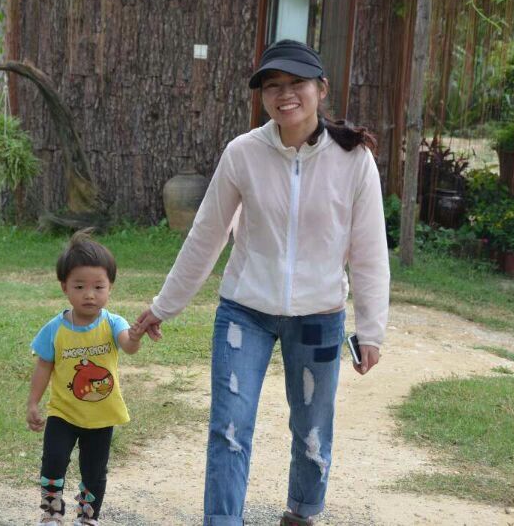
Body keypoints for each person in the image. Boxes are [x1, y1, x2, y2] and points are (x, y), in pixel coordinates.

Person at [131, 39, 390, 526]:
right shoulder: (243, 154)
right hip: (244, 312)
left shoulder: (353, 160)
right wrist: (164, 305)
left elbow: (370, 251)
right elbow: (207, 235)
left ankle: (302, 513)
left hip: (319, 316)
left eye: (296, 84)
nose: (284, 94)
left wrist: (371, 330)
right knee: (229, 428)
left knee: (312, 430)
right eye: (273, 86)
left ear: (321, 89)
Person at [27, 230, 141, 526]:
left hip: (102, 415)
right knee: (53, 462)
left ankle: (88, 517)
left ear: (110, 287)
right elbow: (43, 366)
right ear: (64, 287)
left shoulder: (114, 323)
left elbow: (128, 345)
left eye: (98, 287)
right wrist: (33, 403)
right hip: (63, 412)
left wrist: (136, 335)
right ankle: (51, 513)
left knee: (94, 471)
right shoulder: (54, 329)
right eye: (79, 286)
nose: (89, 294)